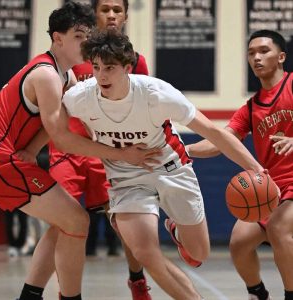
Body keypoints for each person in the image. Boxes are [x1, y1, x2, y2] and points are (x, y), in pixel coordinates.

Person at [60, 29, 265, 300]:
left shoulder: (157, 94)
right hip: (126, 177)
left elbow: (215, 134)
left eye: (109, 68)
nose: (101, 76)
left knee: (199, 253)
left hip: (170, 167)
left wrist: (255, 168)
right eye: (96, 67)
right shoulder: (81, 98)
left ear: (127, 68)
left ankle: (177, 230)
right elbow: (52, 126)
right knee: (146, 252)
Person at [0, 2, 159, 300]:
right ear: (58, 38)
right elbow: (64, 137)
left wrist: (31, 150)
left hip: (14, 157)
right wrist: (124, 155)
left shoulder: (66, 76)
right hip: (1, 158)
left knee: (73, 221)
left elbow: (59, 117)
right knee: (74, 220)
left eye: (87, 36)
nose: (86, 44)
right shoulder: (46, 74)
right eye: (79, 37)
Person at [47, 0, 152, 298]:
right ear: (94, 14)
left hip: (109, 153)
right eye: (105, 9)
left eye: (117, 9)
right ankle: (60, 291)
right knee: (61, 222)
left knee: (123, 224)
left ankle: (137, 280)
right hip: (69, 149)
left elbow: (146, 105)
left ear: (126, 15)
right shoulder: (72, 54)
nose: (111, 15)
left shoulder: (136, 60)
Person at [186, 30, 293, 300]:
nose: (257, 57)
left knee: (280, 229)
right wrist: (181, 149)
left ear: (281, 57)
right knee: (239, 243)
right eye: (251, 53)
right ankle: (257, 293)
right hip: (271, 189)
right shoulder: (251, 107)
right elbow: (220, 142)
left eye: (264, 51)